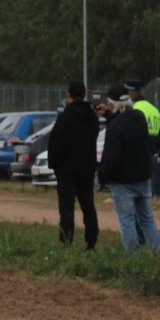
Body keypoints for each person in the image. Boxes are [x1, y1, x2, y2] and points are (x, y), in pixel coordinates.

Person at [98, 84, 160, 253]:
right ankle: (157, 252)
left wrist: (102, 177)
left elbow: (112, 156)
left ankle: (133, 258)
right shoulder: (139, 117)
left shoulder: (115, 126)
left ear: (114, 104)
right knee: (147, 219)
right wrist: (110, 116)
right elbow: (125, 125)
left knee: (126, 221)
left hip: (123, 182)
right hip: (142, 176)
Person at [45, 80, 100, 249]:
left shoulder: (65, 118)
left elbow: (56, 143)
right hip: (86, 169)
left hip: (67, 171)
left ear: (69, 95)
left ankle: (67, 241)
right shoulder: (92, 118)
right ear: (84, 95)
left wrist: (54, 164)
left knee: (67, 208)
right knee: (88, 206)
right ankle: (91, 242)